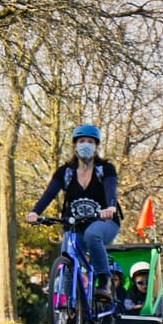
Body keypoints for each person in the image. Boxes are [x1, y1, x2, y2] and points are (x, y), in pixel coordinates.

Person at [24, 124, 121, 302]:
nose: (85, 144)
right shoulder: (65, 172)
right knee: (67, 257)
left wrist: (111, 207)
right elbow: (49, 194)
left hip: (105, 223)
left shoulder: (105, 169)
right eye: (81, 141)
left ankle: (104, 281)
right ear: (74, 145)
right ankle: (68, 312)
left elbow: (110, 189)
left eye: (90, 141)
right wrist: (35, 212)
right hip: (75, 225)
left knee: (93, 235)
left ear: (96, 146)